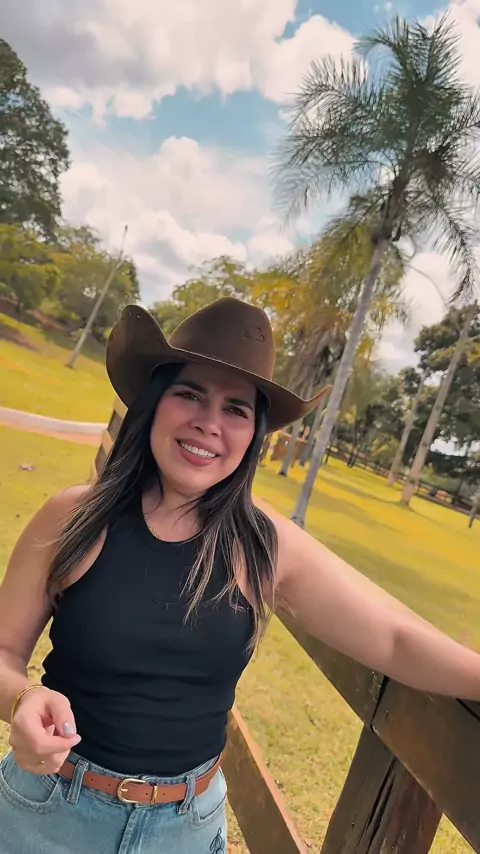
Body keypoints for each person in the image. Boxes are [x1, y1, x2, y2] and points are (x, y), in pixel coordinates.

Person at [0, 297, 479, 854]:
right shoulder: (73, 517)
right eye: (190, 394)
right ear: (154, 401)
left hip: (185, 829)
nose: (209, 423)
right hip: (47, 814)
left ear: (254, 434)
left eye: (236, 409)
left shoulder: (262, 546)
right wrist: (21, 700)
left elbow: (393, 639)